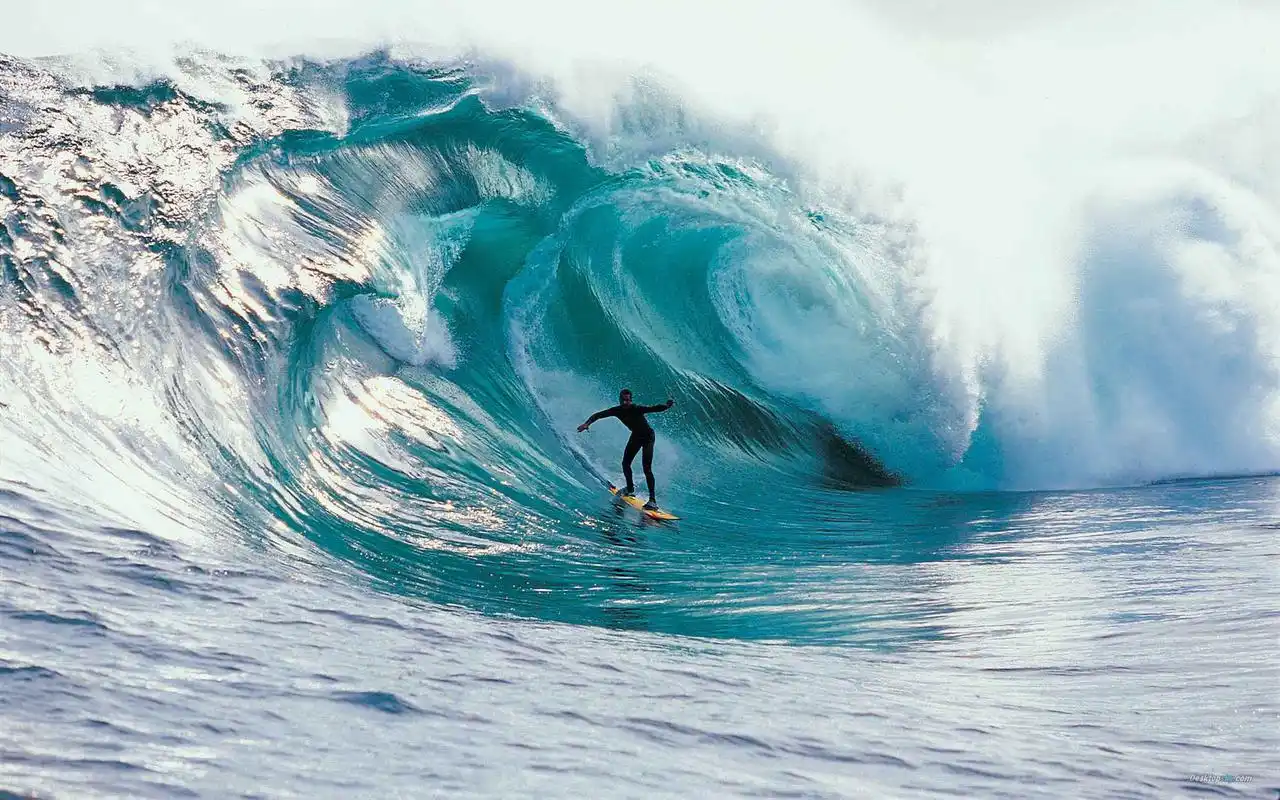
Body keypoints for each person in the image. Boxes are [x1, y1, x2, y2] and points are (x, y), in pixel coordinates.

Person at [577, 388, 674, 510]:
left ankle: (653, 501)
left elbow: (654, 408)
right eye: (623, 400)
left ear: (631, 400)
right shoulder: (617, 411)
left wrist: (667, 405)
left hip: (648, 437)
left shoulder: (636, 408)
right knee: (625, 463)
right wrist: (587, 424)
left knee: (647, 468)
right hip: (636, 436)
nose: (625, 403)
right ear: (620, 400)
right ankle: (630, 488)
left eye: (627, 400)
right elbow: (598, 415)